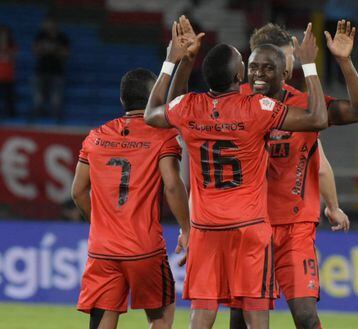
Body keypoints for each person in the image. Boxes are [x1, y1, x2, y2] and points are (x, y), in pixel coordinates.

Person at [144, 17, 328, 329]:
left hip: (205, 228)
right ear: (237, 74)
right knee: (256, 314)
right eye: (243, 62)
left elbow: (153, 113)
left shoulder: (189, 106)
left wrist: (174, 61)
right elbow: (317, 118)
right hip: (249, 227)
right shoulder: (257, 108)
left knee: (201, 315)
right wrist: (309, 66)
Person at [230, 21, 358, 329]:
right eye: (260, 64)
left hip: (294, 229)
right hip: (248, 226)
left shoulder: (307, 105)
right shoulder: (233, 101)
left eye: (278, 62)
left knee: (306, 317)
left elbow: (357, 115)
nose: (266, 71)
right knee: (240, 318)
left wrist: (344, 62)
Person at [71, 65, 190, 328]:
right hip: (143, 248)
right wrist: (187, 228)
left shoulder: (96, 137)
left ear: (122, 99)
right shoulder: (163, 136)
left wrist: (101, 224)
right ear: (154, 98)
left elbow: (78, 191)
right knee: (162, 315)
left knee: (103, 320)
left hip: (102, 250)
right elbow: (172, 185)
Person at [32, 16, 69, 122]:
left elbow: (66, 53)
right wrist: (46, 49)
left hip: (57, 71)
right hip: (41, 71)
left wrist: (54, 49)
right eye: (47, 24)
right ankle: (37, 119)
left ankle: (56, 120)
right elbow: (35, 50)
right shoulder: (40, 36)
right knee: (38, 97)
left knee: (56, 99)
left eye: (51, 24)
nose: (49, 26)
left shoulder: (62, 37)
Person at [0, 25, 16, 118]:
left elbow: (13, 56)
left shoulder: (12, 45)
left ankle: (10, 114)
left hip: (8, 75)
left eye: (5, 34)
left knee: (9, 97)